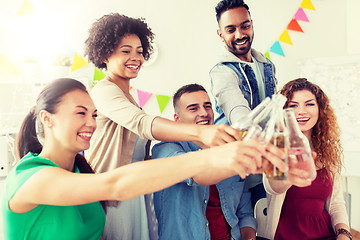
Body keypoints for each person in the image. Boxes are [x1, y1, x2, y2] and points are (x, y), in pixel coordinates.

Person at [1, 78, 284, 240]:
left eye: (94, 114)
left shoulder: (81, 172)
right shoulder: (29, 178)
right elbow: (116, 184)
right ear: (46, 119)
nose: (91, 122)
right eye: (80, 113)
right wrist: (215, 154)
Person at [83, 13, 245, 240]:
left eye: (139, 51)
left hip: (134, 194)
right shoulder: (104, 90)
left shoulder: (127, 96)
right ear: (105, 53)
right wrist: (202, 132)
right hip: (111, 197)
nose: (135, 57)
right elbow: (142, 124)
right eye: (125, 50)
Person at [152, 83, 287, 240]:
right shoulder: (164, 150)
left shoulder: (231, 147)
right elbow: (196, 174)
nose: (204, 112)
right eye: (193, 108)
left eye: (207, 106)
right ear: (177, 119)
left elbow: (245, 213)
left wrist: (249, 235)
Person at [263, 78, 351, 240]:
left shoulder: (327, 150)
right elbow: (273, 188)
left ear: (320, 109)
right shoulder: (277, 144)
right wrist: (293, 170)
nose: (301, 111)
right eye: (293, 106)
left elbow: (337, 205)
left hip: (325, 234)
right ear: (283, 111)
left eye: (309, 104)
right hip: (284, 236)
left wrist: (344, 234)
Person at [210, 0, 278, 208]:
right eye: (231, 29)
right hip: (236, 173)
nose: (240, 34)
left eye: (245, 26)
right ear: (220, 34)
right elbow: (238, 112)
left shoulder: (266, 64)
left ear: (251, 24)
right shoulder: (222, 71)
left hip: (269, 167)